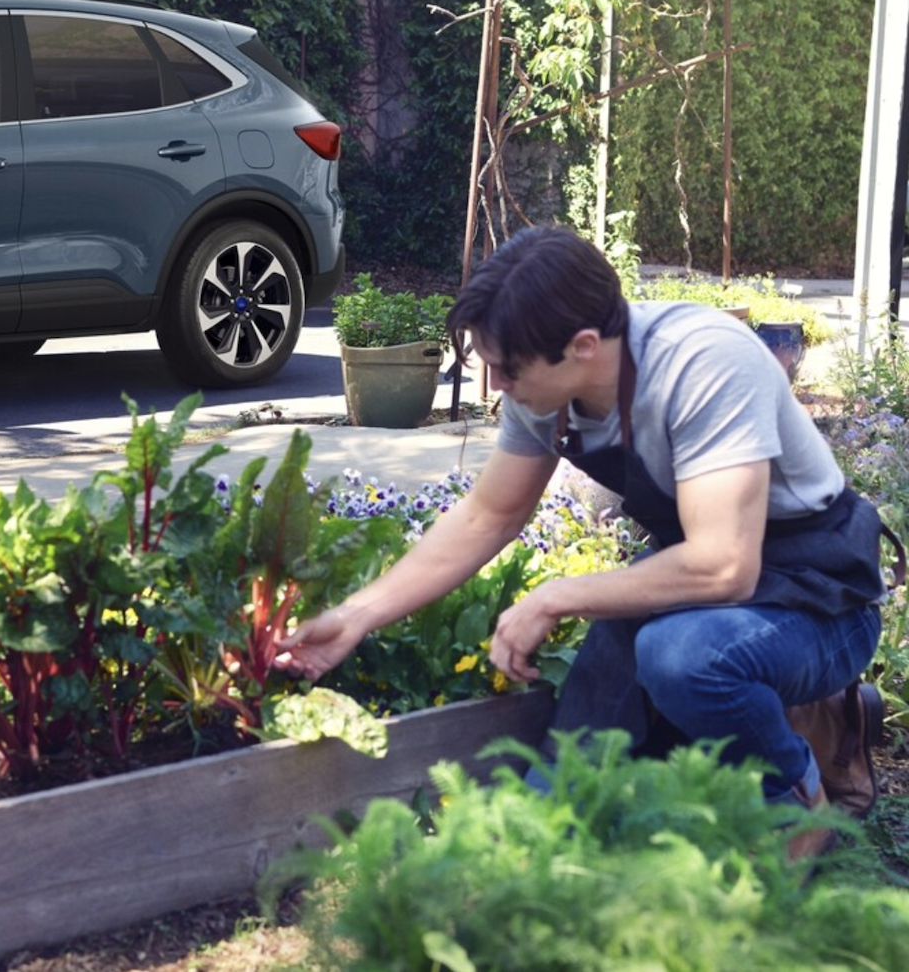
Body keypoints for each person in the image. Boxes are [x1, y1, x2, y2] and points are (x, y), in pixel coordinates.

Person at [277, 226, 894, 853]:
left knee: (681, 658)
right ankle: (539, 850)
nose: (497, 386)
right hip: (699, 585)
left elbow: (723, 565)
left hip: (820, 596)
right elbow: (487, 516)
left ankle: (799, 802)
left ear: (583, 346)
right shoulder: (548, 384)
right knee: (574, 771)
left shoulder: (703, 363)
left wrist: (557, 595)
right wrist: (355, 616)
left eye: (507, 369)